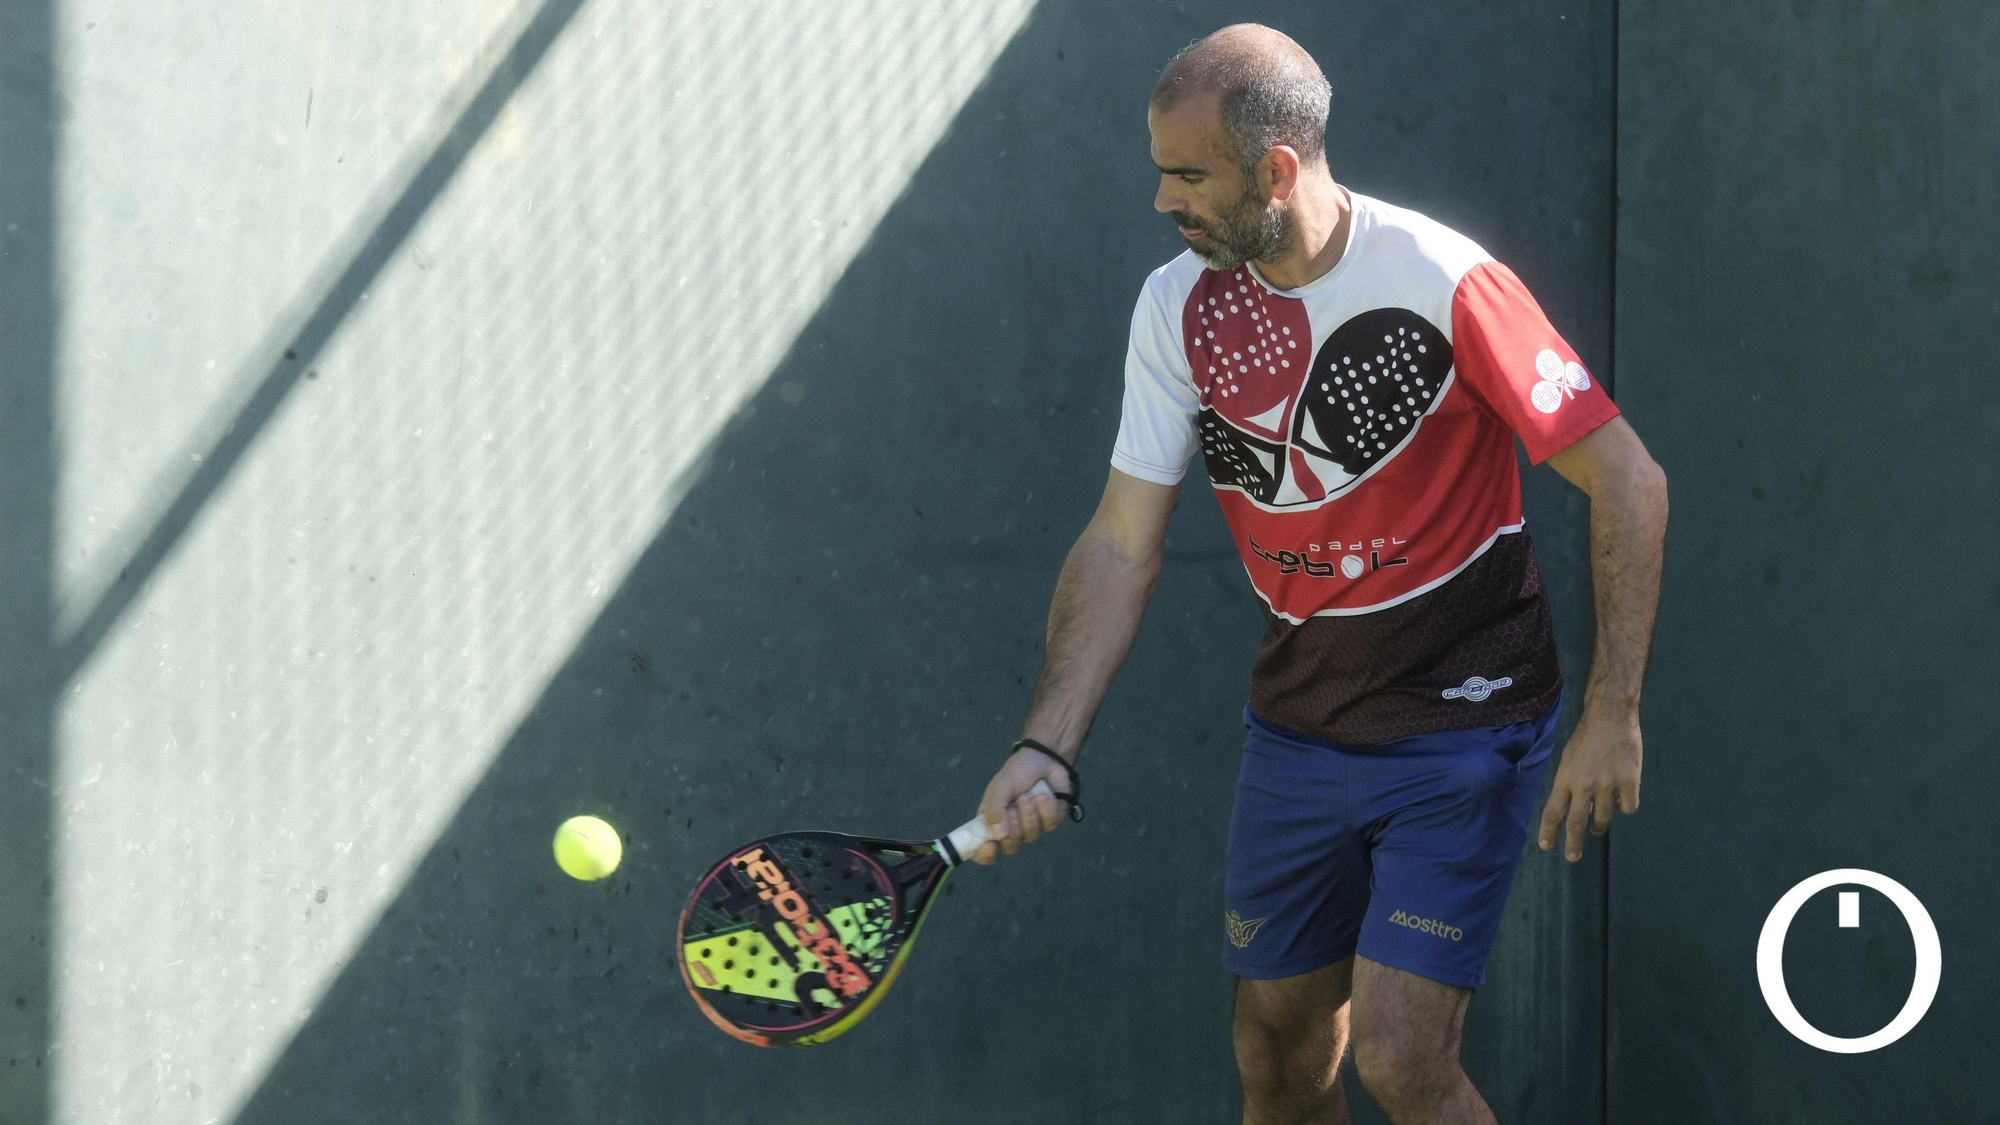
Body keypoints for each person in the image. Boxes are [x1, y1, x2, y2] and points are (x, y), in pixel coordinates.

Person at [969, 22, 1669, 1125]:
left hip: (1462, 725)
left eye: (1186, 175)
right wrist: (1044, 744)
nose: (1162, 201)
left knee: (1398, 1057)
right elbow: (1118, 542)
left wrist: (1610, 709)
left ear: (1275, 170)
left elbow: (1627, 478)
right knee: (1279, 1055)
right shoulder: (1176, 311)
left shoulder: (1446, 282)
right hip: (1299, 729)